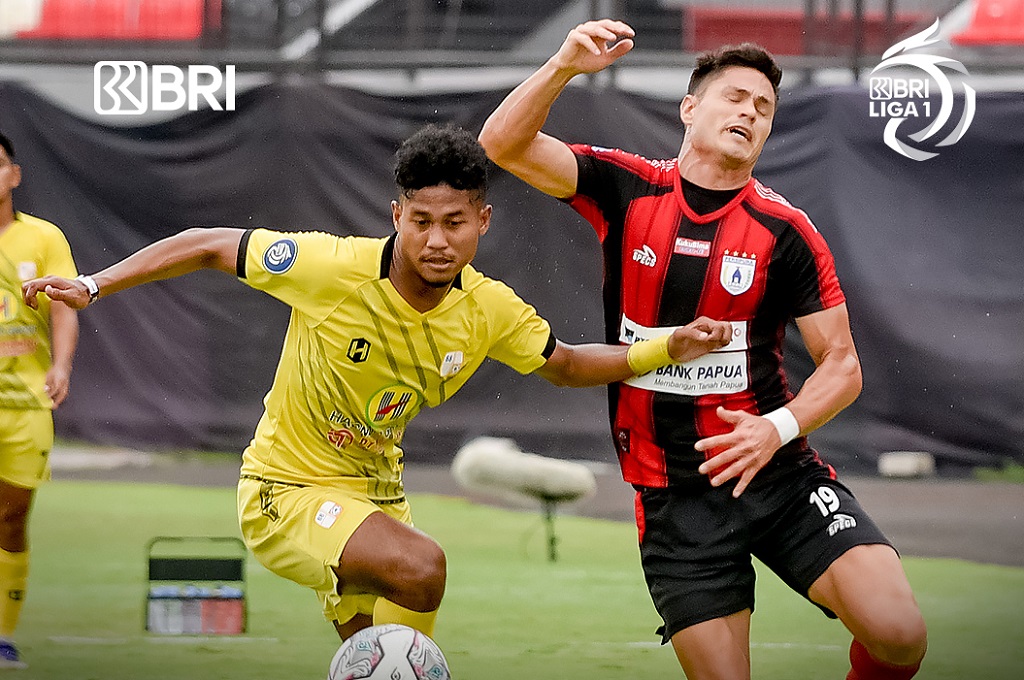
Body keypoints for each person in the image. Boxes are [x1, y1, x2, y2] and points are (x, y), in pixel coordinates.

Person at [23, 124, 732, 646]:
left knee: (374, 653)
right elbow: (208, 244)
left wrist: (666, 346)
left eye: (454, 223)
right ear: (397, 216)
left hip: (377, 499)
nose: (436, 241)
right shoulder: (331, 267)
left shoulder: (488, 309)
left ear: (482, 222)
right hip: (285, 491)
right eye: (420, 221)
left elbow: (567, 363)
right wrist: (94, 285)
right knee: (422, 568)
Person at [478, 20, 928, 680]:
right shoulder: (628, 188)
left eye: (764, 107)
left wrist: (776, 429)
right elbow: (502, 144)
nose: (749, 112)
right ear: (690, 108)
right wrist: (563, 65)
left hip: (777, 475)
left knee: (899, 635)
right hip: (675, 497)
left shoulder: (786, 232)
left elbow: (843, 365)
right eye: (735, 97)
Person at [0, 131, 80, 669]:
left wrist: (61, 365)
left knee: (11, 517)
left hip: (25, 405)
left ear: (15, 174)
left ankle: (2, 636)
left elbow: (63, 305)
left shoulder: (43, 237)